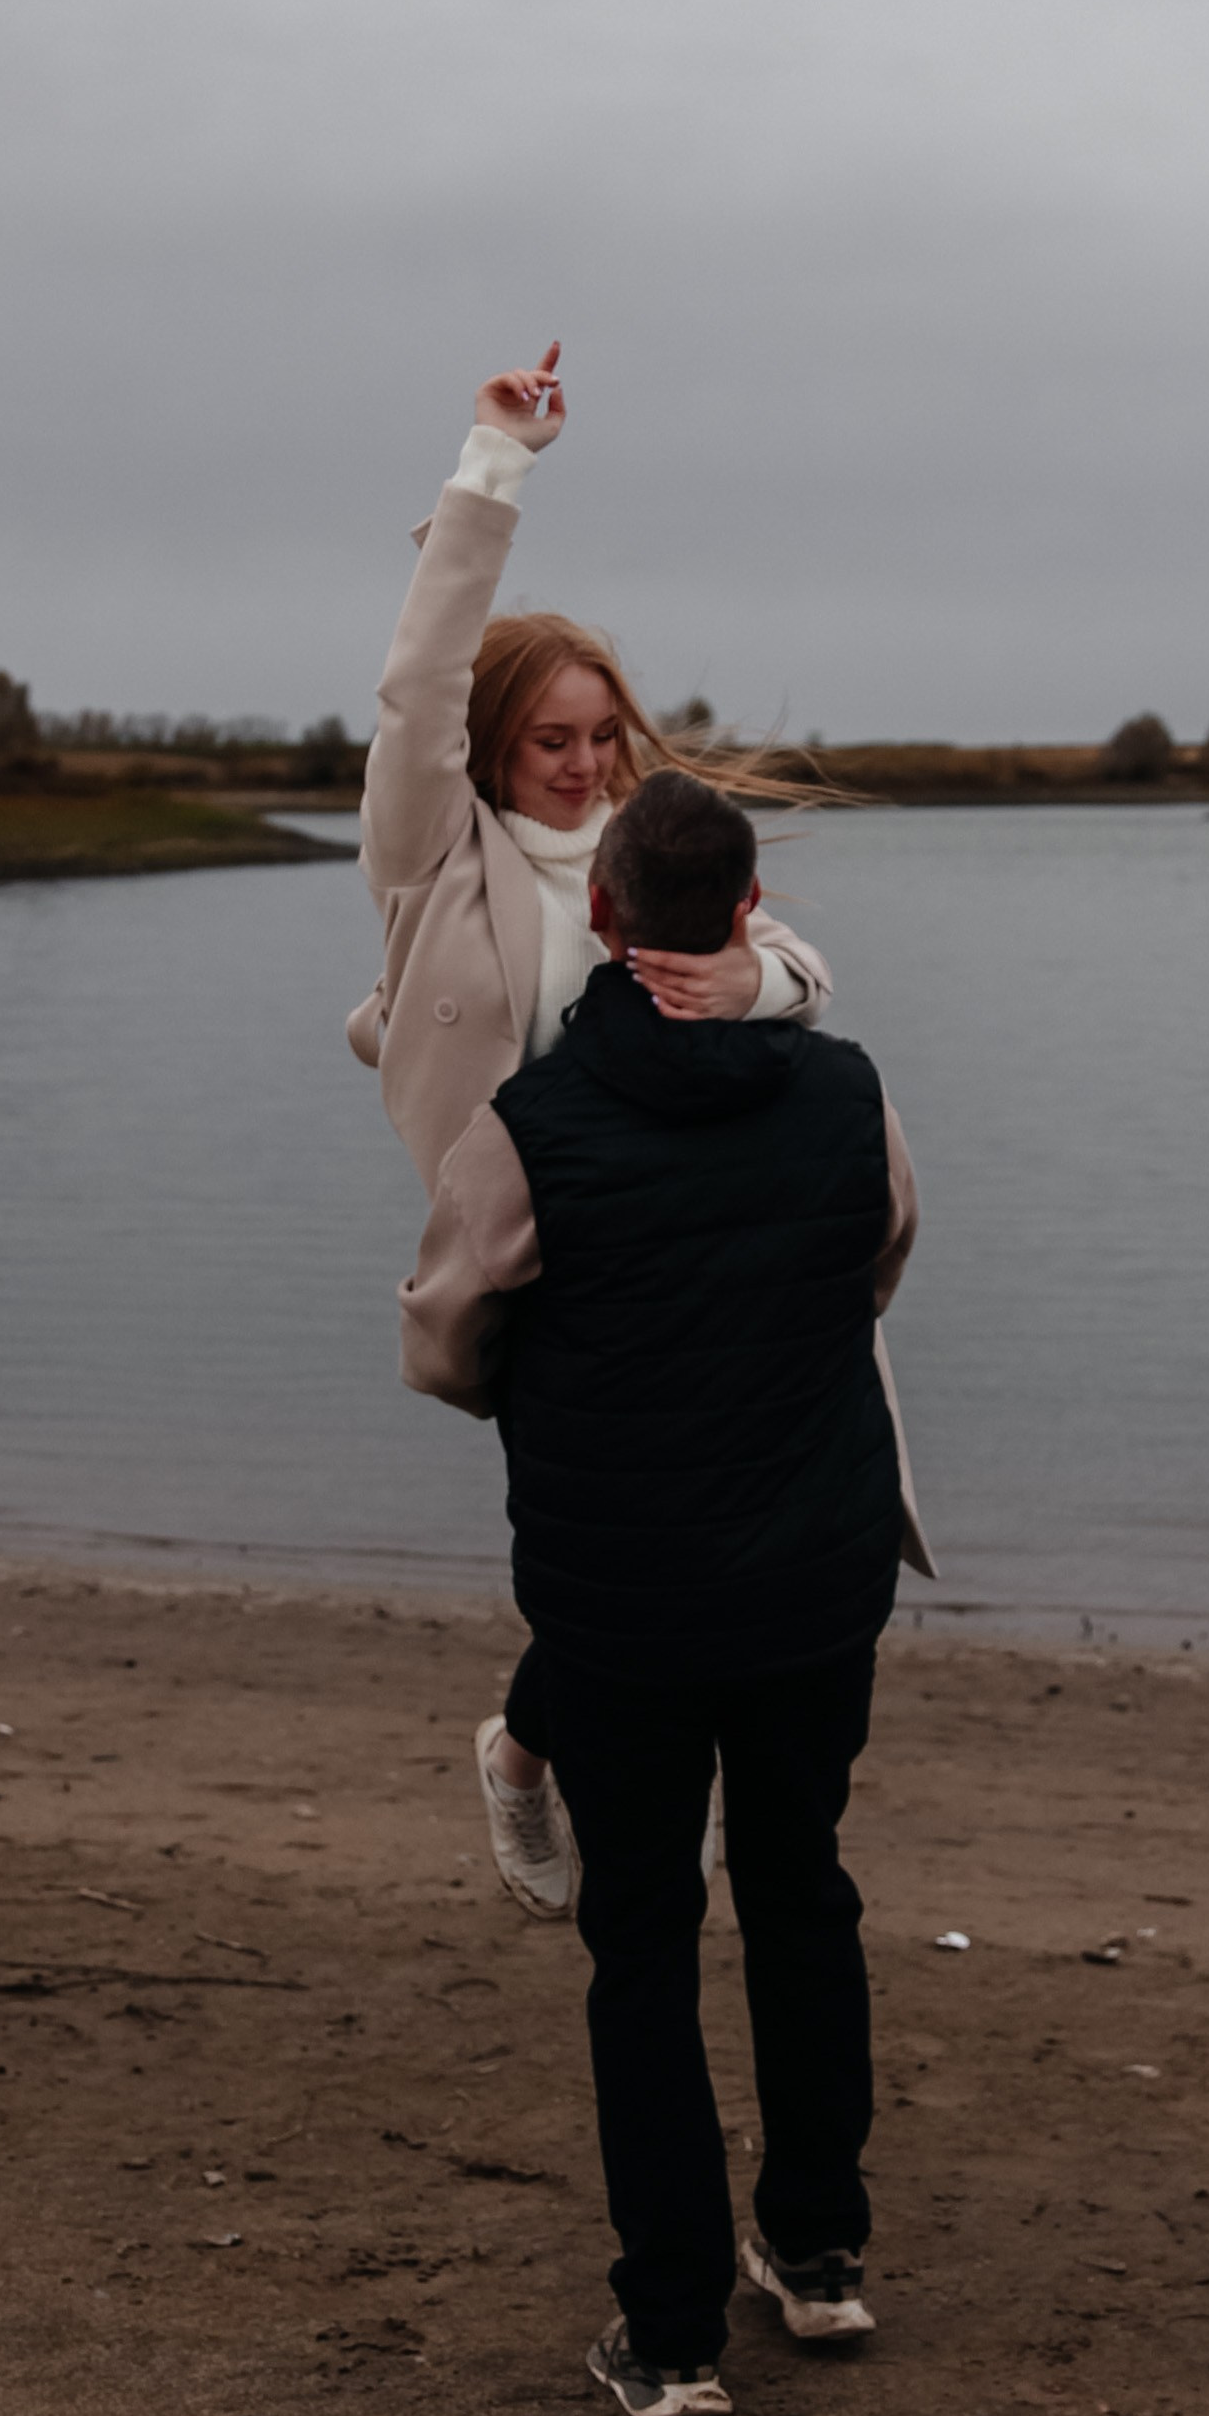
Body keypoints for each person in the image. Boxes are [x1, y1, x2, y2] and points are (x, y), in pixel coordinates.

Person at [400, 767, 920, 2416]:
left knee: (644, 1943)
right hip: (812, 1584)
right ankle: (820, 2256)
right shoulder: (848, 1093)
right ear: (750, 916)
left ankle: (675, 2333)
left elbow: (445, 1332)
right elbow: (881, 1252)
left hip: (623, 1599)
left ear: (607, 921)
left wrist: (554, 1388)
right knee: (800, 1892)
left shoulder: (533, 1127)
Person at [345, 345, 855, 1916]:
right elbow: (422, 677)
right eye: (550, 739)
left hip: (688, 1255)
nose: (583, 761)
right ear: (495, 751)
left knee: (686, 1537)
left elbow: (808, 971)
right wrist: (496, 461)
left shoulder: (657, 852)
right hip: (539, 1257)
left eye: (601, 731)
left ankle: (556, 1753)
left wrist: (758, 974)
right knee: (610, 1547)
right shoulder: (440, 861)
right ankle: (538, 1756)